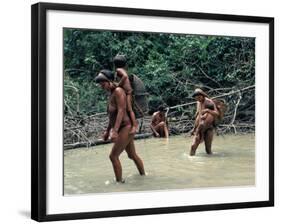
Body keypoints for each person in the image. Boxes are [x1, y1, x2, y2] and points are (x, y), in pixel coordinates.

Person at [95, 69, 145, 182]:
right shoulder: (111, 94)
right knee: (132, 155)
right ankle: (144, 176)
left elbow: (122, 111)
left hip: (125, 127)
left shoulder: (118, 91)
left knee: (113, 156)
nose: (101, 86)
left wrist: (115, 131)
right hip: (121, 128)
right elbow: (112, 116)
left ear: (109, 81)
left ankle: (119, 184)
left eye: (103, 84)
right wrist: (108, 131)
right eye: (100, 85)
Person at [113, 55, 138, 134]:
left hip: (128, 92)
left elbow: (125, 76)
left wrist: (118, 85)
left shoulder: (118, 70)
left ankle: (134, 126)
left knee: (129, 109)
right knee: (128, 109)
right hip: (127, 92)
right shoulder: (122, 69)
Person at [190, 88, 219, 156]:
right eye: (196, 98)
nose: (198, 99)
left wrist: (207, 111)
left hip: (209, 128)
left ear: (202, 95)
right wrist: (194, 128)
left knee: (208, 150)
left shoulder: (209, 102)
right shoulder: (198, 102)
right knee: (193, 146)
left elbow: (217, 113)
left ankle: (209, 164)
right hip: (199, 128)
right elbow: (198, 116)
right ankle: (190, 161)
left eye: (199, 97)